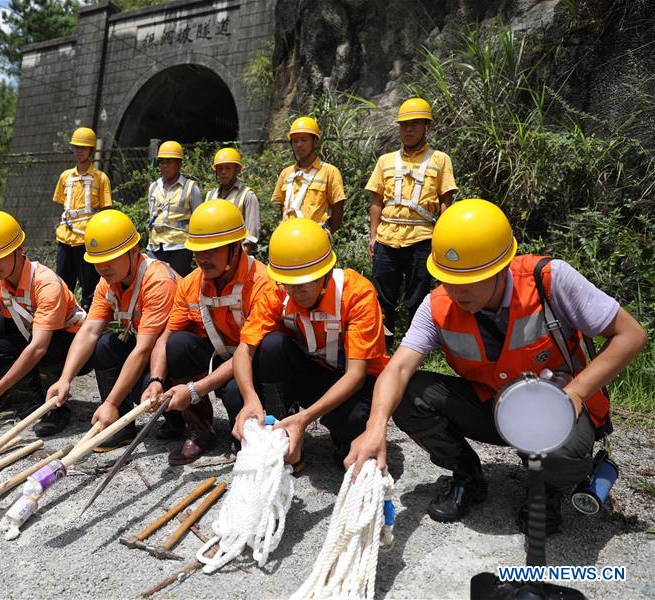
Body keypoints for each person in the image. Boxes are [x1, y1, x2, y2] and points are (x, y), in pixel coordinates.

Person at [345, 199, 647, 533]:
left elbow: (631, 336)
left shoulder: (549, 279)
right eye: (449, 279)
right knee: (408, 395)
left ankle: (545, 491)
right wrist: (375, 428)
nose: (458, 291)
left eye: (472, 279)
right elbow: (398, 368)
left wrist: (576, 392)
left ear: (502, 266)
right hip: (491, 407)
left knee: (564, 459)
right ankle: (467, 477)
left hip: (555, 409)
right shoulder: (437, 305)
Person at [230, 218, 388, 469]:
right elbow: (243, 350)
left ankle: (332, 431)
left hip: (353, 382)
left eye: (302, 283)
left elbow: (357, 374)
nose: (294, 292)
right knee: (271, 346)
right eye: (287, 283)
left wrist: (305, 418)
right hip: (313, 372)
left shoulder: (357, 294)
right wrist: (250, 399)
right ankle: (283, 434)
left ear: (324, 273)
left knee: (353, 423)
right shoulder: (277, 292)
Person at [143, 200, 271, 465]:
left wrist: (192, 390)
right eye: (198, 251)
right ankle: (200, 429)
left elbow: (248, 351)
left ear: (236, 248)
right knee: (177, 344)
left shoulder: (261, 282)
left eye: (212, 250)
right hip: (220, 353)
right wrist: (156, 379)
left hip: (253, 357)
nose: (203, 258)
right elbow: (165, 337)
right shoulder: (191, 283)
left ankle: (247, 431)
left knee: (237, 391)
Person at [46, 209, 179, 451]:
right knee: (105, 344)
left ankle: (184, 420)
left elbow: (143, 350)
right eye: (97, 261)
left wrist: (109, 401)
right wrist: (65, 380)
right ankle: (120, 425)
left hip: (174, 352)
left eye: (110, 259)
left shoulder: (158, 280)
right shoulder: (107, 283)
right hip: (147, 346)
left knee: (171, 356)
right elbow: (88, 332)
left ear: (133, 251)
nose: (102, 267)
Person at [0, 211, 87, 437]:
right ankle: (31, 393)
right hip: (34, 337)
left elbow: (39, 347)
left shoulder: (45, 283)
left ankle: (57, 409)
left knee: (46, 349)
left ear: (19, 250)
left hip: (73, 344)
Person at [366, 98, 457, 347]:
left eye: (415, 124)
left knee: (416, 300)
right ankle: (383, 349)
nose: (408, 129)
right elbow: (376, 201)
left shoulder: (439, 160)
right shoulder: (386, 161)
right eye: (404, 124)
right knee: (383, 299)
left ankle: (414, 348)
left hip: (422, 239)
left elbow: (446, 203)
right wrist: (373, 236)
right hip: (387, 237)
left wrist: (442, 238)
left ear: (426, 126)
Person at [52, 127, 112, 310]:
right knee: (62, 283)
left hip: (87, 238)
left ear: (91, 150)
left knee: (90, 285)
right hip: (65, 237)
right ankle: (64, 317)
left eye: (83, 148)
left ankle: (89, 318)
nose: (79, 151)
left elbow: (105, 209)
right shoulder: (65, 176)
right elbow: (61, 203)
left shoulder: (100, 178)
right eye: (76, 147)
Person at [272, 116, 346, 233]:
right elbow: (283, 207)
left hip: (316, 240)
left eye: (304, 140)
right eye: (295, 141)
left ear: (315, 141)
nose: (299, 145)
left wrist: (328, 233)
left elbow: (338, 209)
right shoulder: (286, 174)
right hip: (288, 240)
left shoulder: (329, 172)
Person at [146, 140, 202, 276]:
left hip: (179, 247)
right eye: (162, 162)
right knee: (155, 285)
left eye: (169, 162)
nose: (164, 166)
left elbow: (198, 221)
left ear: (179, 164)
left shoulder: (191, 188)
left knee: (178, 286)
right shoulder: (153, 187)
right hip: (155, 246)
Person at [204, 148, 260, 254]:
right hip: (213, 254)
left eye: (228, 168)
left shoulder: (247, 195)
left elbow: (252, 232)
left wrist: (242, 255)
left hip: (237, 253)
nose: (223, 172)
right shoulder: (210, 196)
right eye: (220, 168)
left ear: (237, 170)